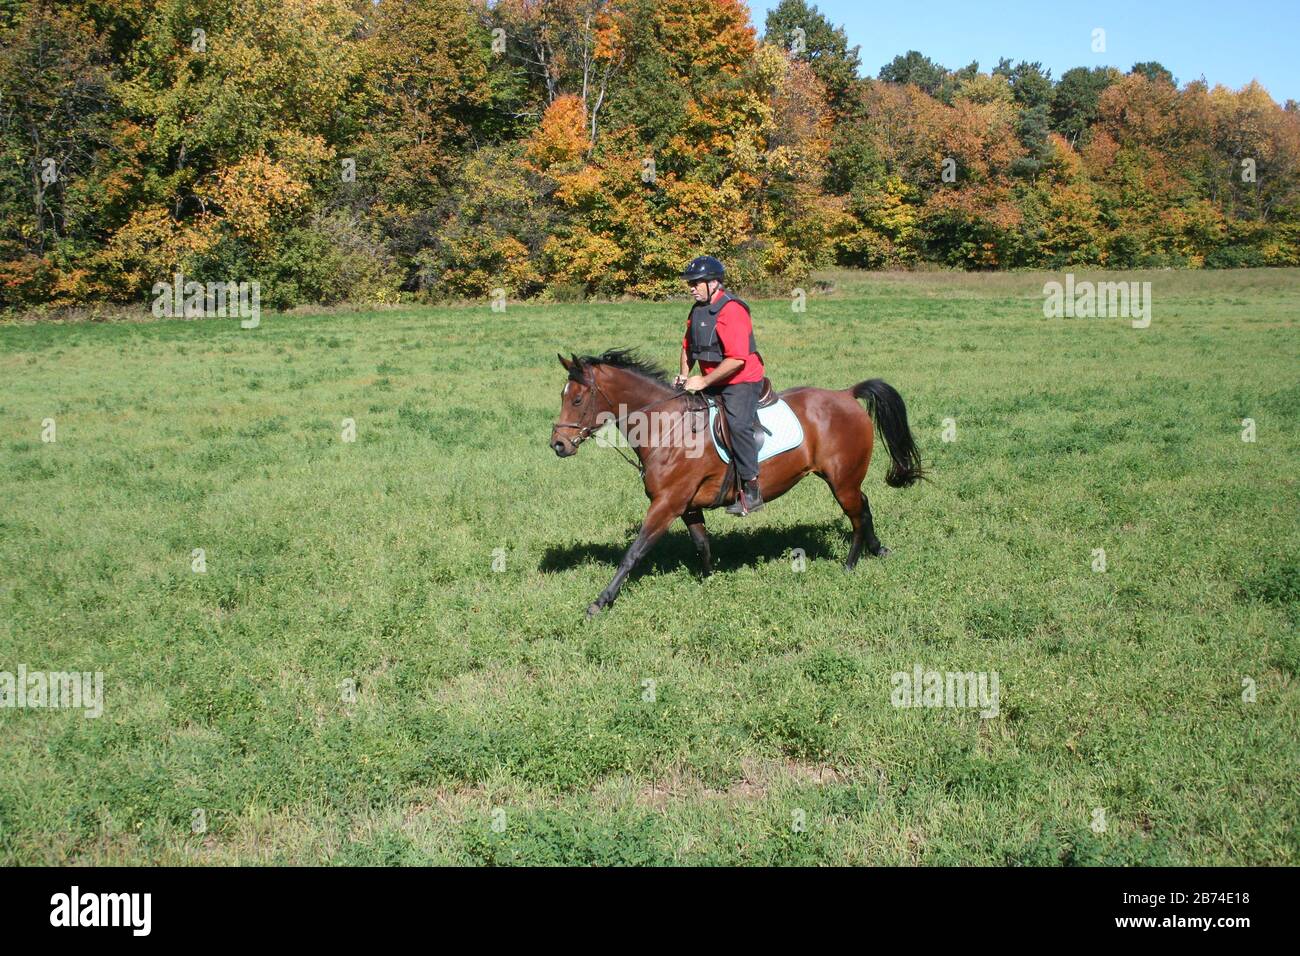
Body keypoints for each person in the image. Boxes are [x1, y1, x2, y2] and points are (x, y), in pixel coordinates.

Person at [674, 255, 765, 515]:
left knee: (737, 425)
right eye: (690, 283)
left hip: (741, 381)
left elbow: (737, 359)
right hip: (713, 380)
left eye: (696, 283)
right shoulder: (697, 310)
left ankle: (751, 488)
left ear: (713, 283)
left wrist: (702, 380)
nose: (691, 287)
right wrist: (683, 375)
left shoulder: (732, 310)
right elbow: (687, 347)